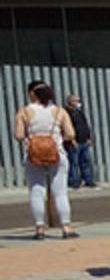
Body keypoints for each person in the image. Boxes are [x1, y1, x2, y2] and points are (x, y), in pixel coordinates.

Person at [16, 80, 77, 239]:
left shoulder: (24, 112)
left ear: (32, 94)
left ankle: (39, 228)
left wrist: (33, 138)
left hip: (33, 156)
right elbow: (70, 134)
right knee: (60, 192)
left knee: (36, 191)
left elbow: (19, 135)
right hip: (57, 154)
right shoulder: (59, 111)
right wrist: (56, 139)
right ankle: (66, 226)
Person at [63, 93, 96, 189]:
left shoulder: (79, 112)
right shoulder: (66, 113)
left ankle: (88, 180)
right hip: (74, 142)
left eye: (78, 101)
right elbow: (67, 127)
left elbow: (85, 125)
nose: (78, 103)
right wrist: (72, 140)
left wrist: (89, 137)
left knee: (86, 161)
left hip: (84, 141)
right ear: (70, 102)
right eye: (76, 101)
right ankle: (73, 181)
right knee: (73, 162)